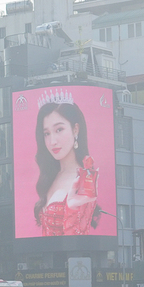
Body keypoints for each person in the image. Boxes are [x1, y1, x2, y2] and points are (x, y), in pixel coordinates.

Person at [29, 97, 110, 236]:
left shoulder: (84, 179)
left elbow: (79, 236)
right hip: (47, 256)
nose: (52, 141)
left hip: (74, 256)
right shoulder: (50, 176)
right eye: (47, 134)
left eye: (59, 129)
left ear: (75, 129)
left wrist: (72, 207)